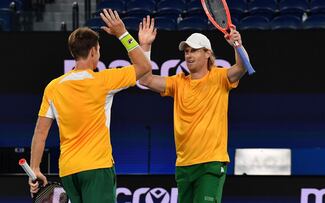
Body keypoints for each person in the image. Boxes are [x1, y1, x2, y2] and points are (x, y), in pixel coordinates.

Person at [28, 9, 151, 203]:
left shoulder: (53, 87)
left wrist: (35, 168)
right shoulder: (104, 80)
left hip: (69, 171)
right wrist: (122, 34)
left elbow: (40, 132)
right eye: (99, 50)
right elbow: (144, 67)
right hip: (97, 168)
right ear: (93, 51)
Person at [138, 16, 248, 203]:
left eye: (194, 51)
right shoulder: (178, 82)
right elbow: (145, 80)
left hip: (210, 164)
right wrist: (145, 46)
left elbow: (242, 66)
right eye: (186, 51)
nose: (188, 55)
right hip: (184, 166)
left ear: (207, 54)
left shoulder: (220, 77)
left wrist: (237, 45)